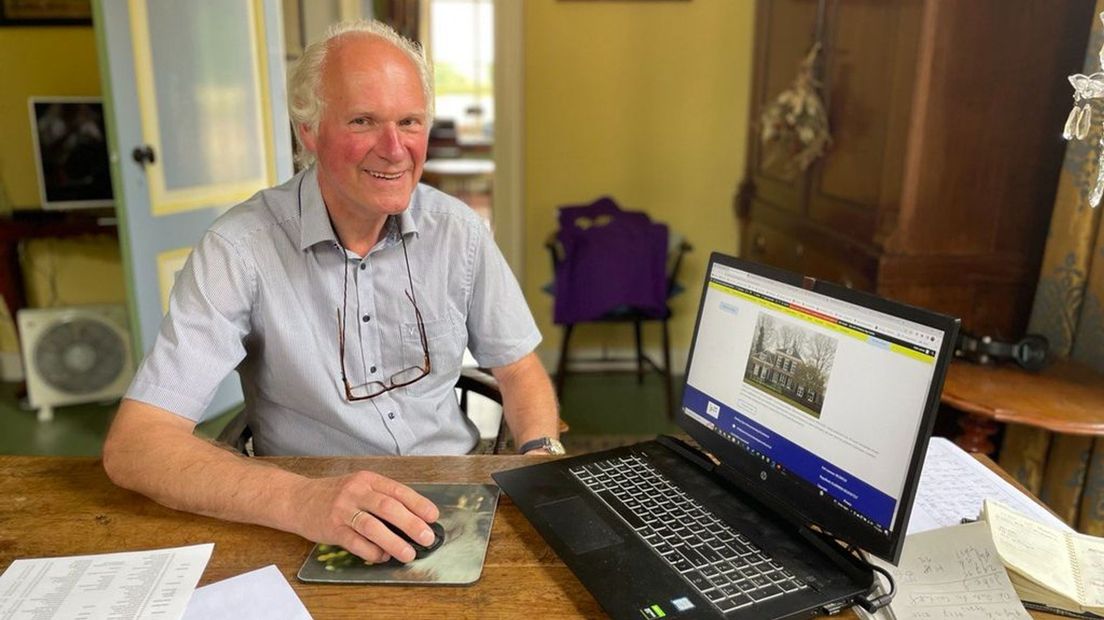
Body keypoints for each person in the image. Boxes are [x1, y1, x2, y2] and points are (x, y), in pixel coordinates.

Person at [102, 20, 559, 566]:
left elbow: (518, 367)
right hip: (303, 516)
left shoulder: (456, 230)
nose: (394, 149)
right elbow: (136, 446)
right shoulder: (240, 247)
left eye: (410, 122)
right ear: (309, 132)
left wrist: (540, 454)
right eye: (363, 121)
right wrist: (303, 498)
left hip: (451, 497)